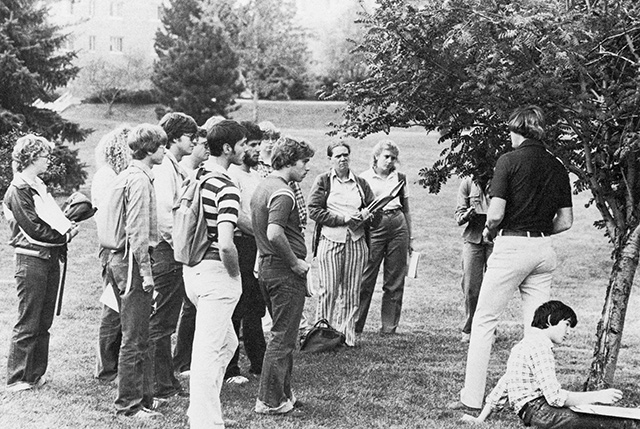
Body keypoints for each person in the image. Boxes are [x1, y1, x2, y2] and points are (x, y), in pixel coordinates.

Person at [450, 105, 574, 411]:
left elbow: (496, 213)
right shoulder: (557, 164)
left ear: (517, 130)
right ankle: (533, 398)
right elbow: (566, 220)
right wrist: (541, 231)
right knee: (538, 330)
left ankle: (472, 398)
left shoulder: (508, 160)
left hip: (512, 245)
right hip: (543, 249)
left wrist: (492, 232)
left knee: (484, 321)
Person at [466, 301, 640, 429]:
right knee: (612, 423)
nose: (568, 332)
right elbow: (555, 398)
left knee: (588, 414)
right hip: (541, 411)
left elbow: (505, 383)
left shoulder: (523, 345)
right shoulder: (541, 347)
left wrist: (481, 418)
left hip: (533, 413)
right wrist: (597, 396)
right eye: (566, 325)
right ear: (550, 320)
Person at [3, 134, 80, 393]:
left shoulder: (37, 185)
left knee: (44, 319)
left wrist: (67, 223)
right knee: (29, 319)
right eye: (45, 156)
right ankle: (17, 377)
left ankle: (35, 373)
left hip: (48, 258)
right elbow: (34, 229)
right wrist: (65, 234)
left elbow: (51, 217)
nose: (48, 160)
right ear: (32, 157)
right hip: (31, 260)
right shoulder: (18, 189)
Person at [182, 120, 246, 429]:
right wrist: (234, 276)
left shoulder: (196, 177)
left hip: (191, 270)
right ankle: (206, 422)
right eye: (242, 145)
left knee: (228, 344)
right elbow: (225, 244)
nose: (246, 150)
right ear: (227, 148)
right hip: (216, 273)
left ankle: (203, 410)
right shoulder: (227, 185)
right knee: (207, 352)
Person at [101, 124, 166, 418]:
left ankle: (144, 396)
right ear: (149, 150)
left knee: (139, 333)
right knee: (135, 336)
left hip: (119, 260)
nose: (164, 150)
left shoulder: (127, 175)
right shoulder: (139, 180)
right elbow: (137, 232)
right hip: (131, 262)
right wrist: (147, 272)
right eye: (162, 146)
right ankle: (129, 404)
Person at [251, 136, 315, 416]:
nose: (307, 168)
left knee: (283, 334)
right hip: (282, 270)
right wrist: (294, 263)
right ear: (289, 161)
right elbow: (274, 232)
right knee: (283, 337)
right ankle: (269, 400)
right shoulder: (284, 192)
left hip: (267, 266)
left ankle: (283, 394)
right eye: (304, 162)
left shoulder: (263, 186)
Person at [149, 112, 198, 402]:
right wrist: (182, 249)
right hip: (169, 251)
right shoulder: (165, 169)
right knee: (163, 321)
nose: (194, 142)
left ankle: (165, 380)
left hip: (173, 249)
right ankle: (160, 384)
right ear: (176, 138)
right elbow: (165, 215)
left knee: (166, 319)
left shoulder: (174, 166)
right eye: (190, 137)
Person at [308, 141, 374, 346]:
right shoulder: (324, 181)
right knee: (328, 289)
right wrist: (343, 219)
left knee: (352, 290)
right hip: (331, 239)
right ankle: (322, 334)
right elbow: (314, 211)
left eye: (346, 155)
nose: (343, 159)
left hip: (356, 240)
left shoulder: (360, 183)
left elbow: (375, 210)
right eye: (338, 156)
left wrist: (368, 215)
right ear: (330, 159)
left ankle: (346, 336)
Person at [224, 121, 266, 384]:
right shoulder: (232, 175)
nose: (257, 150)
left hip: (257, 246)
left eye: (259, 145)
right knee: (237, 308)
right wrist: (260, 234)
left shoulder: (257, 175)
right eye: (252, 145)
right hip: (241, 244)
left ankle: (259, 362)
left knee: (255, 307)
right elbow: (236, 216)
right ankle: (230, 368)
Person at [355, 140, 411, 336]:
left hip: (397, 222)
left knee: (395, 279)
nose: (389, 161)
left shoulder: (400, 177)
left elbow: (406, 208)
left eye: (393, 158)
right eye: (386, 156)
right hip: (374, 225)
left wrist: (409, 237)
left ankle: (389, 327)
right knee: (366, 277)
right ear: (376, 157)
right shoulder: (364, 178)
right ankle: (356, 324)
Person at [91, 125, 132, 382]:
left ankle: (109, 364)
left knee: (114, 307)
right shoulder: (108, 177)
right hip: (112, 246)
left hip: (113, 245)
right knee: (113, 308)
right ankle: (107, 367)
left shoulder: (109, 174)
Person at [172, 126, 209, 375]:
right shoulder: (184, 171)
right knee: (188, 306)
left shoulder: (196, 171)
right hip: (186, 245)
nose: (205, 149)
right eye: (201, 144)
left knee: (192, 305)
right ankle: (182, 360)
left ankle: (189, 358)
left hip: (192, 245)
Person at [454, 174, 493, 343]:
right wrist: (467, 215)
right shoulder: (467, 182)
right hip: (473, 236)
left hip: (494, 236)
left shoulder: (501, 178)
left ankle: (490, 329)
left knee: (492, 286)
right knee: (470, 286)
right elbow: (458, 216)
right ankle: (470, 326)